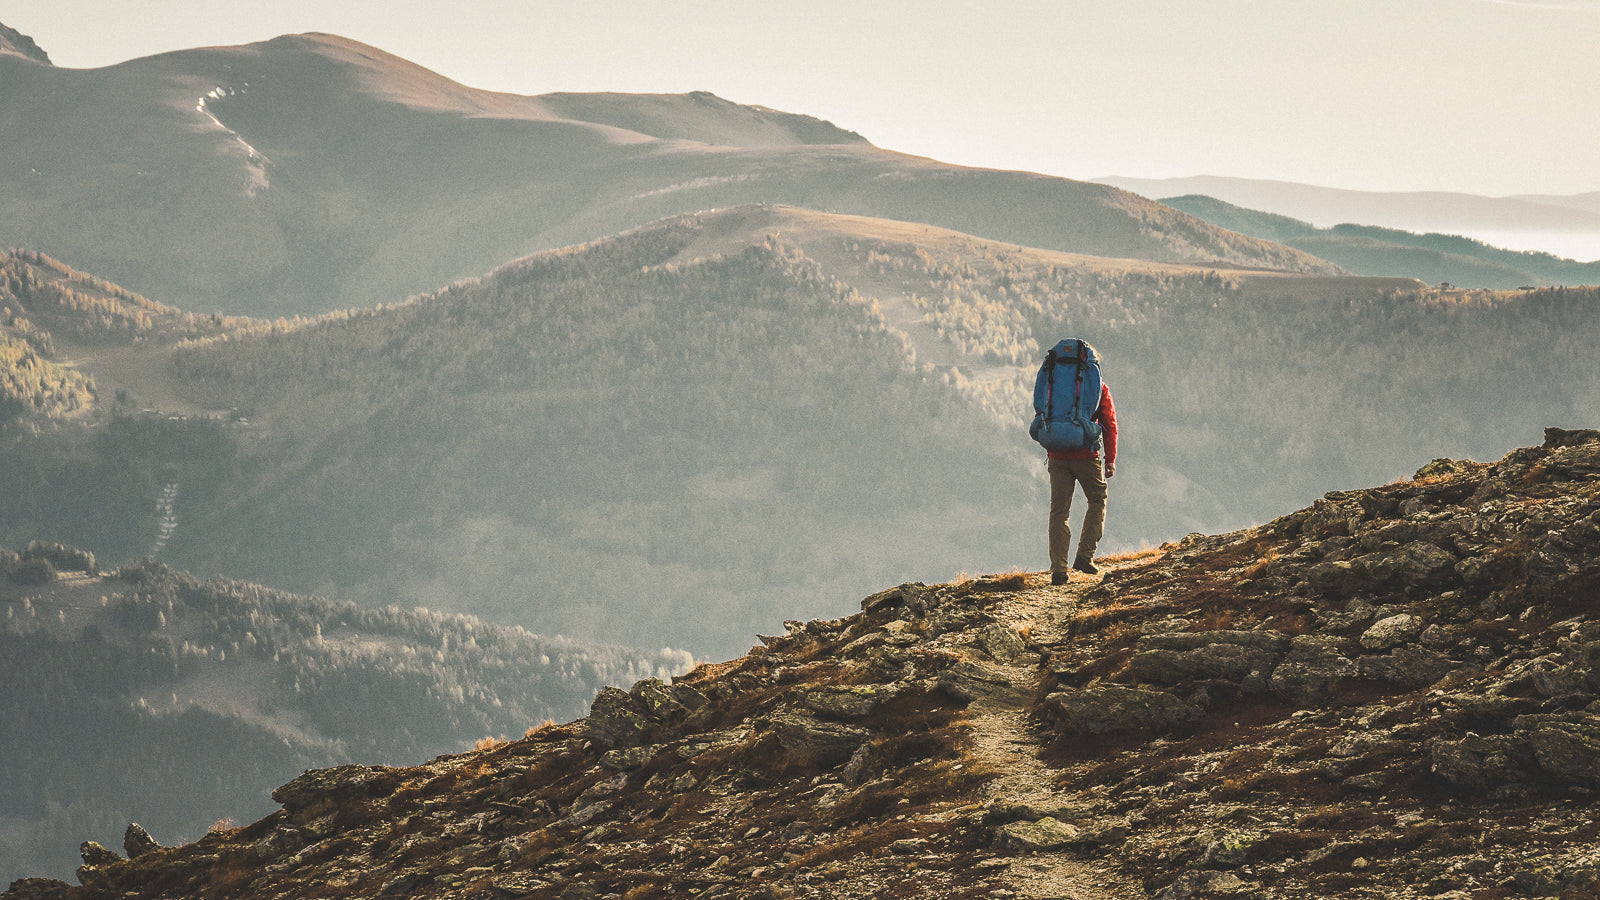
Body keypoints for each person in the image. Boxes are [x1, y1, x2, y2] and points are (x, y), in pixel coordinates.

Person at [1038, 344, 1117, 585]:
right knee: (1097, 499)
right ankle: (1085, 556)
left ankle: (1059, 570)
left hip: (1057, 454)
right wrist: (1110, 460)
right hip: (1086, 455)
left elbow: (1040, 407)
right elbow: (1110, 423)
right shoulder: (1097, 387)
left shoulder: (1053, 379)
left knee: (1059, 511)